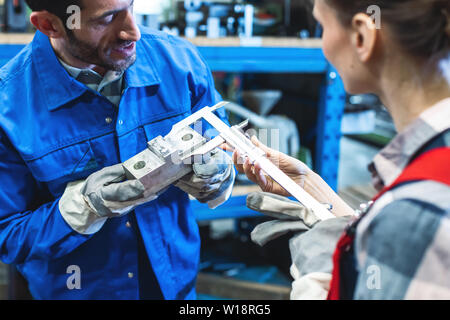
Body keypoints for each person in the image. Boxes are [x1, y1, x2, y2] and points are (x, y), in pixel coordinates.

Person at [0, 0, 235, 299]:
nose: (132, 32)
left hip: (175, 288)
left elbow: (217, 136)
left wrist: (218, 171)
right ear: (50, 25)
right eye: (107, 18)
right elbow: (7, 233)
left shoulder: (180, 62)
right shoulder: (8, 108)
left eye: (131, 6)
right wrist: (82, 209)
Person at [233, 0, 450, 299]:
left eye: (322, 26)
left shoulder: (414, 213)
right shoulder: (430, 166)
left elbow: (404, 224)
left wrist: (322, 268)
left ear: (362, 36)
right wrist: (316, 195)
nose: (322, 44)